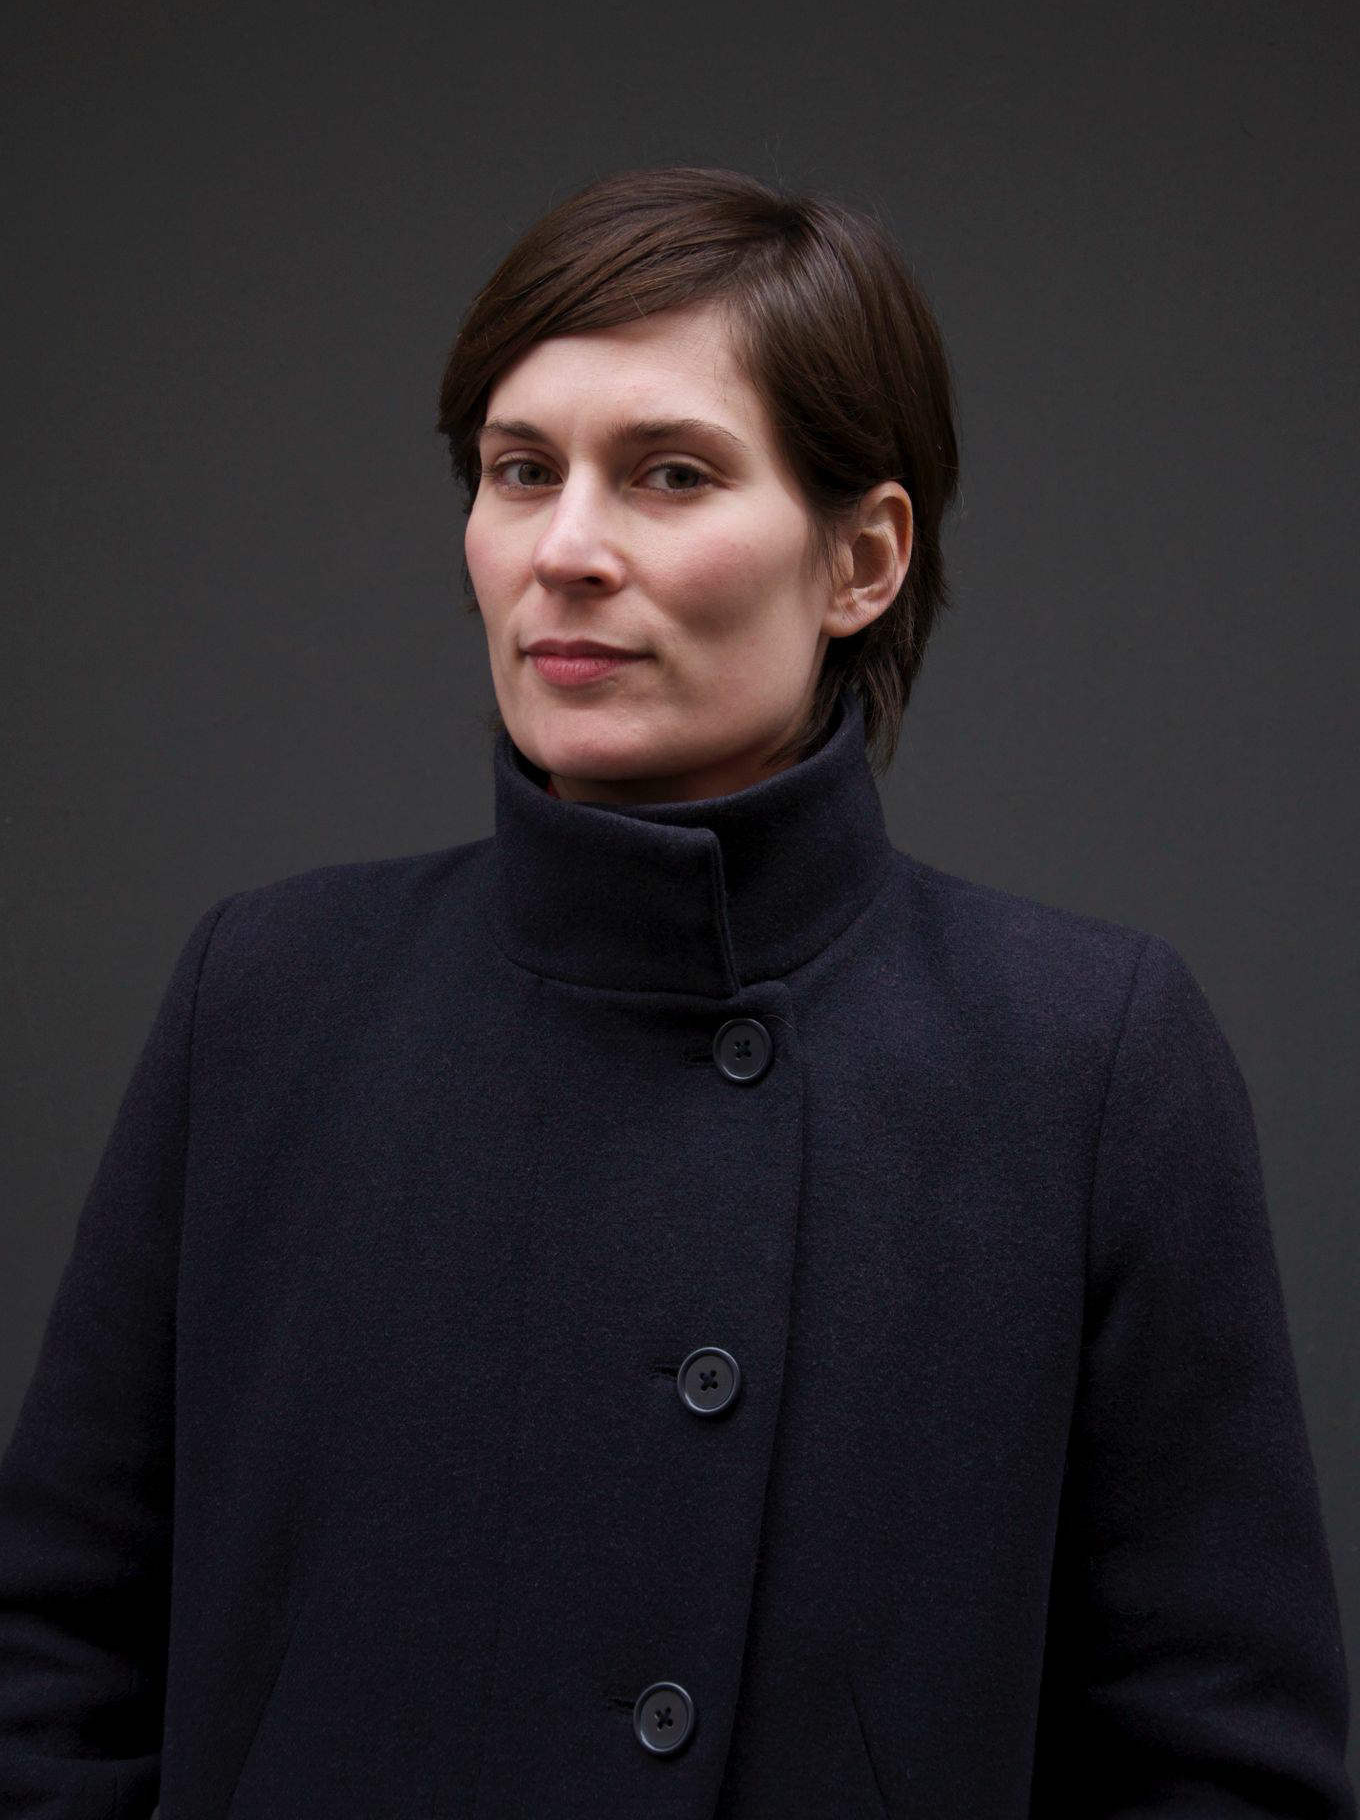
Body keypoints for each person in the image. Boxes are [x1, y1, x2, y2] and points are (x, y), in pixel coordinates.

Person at [0, 165, 1351, 1818]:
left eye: (671, 474)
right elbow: (48, 1668)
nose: (566, 550)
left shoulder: (1085, 1059)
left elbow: (1223, 1764)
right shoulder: (268, 999)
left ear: (863, 559)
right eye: (521, 471)